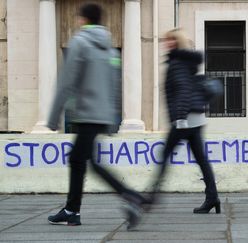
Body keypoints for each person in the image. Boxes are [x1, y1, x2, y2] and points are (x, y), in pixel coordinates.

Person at [46, 3, 146, 229]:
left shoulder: (79, 43)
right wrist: (112, 116)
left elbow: (66, 82)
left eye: (79, 18)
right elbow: (114, 83)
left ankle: (130, 196)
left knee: (84, 161)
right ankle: (72, 210)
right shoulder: (110, 49)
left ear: (83, 19)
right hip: (100, 114)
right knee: (81, 160)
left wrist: (52, 118)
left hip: (85, 113)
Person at [149, 28, 220, 214]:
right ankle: (213, 197)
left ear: (178, 42)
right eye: (166, 40)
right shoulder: (184, 62)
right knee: (201, 159)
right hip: (194, 118)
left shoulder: (177, 63)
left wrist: (179, 118)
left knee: (165, 155)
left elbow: (183, 90)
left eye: (171, 40)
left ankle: (151, 198)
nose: (167, 43)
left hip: (184, 119)